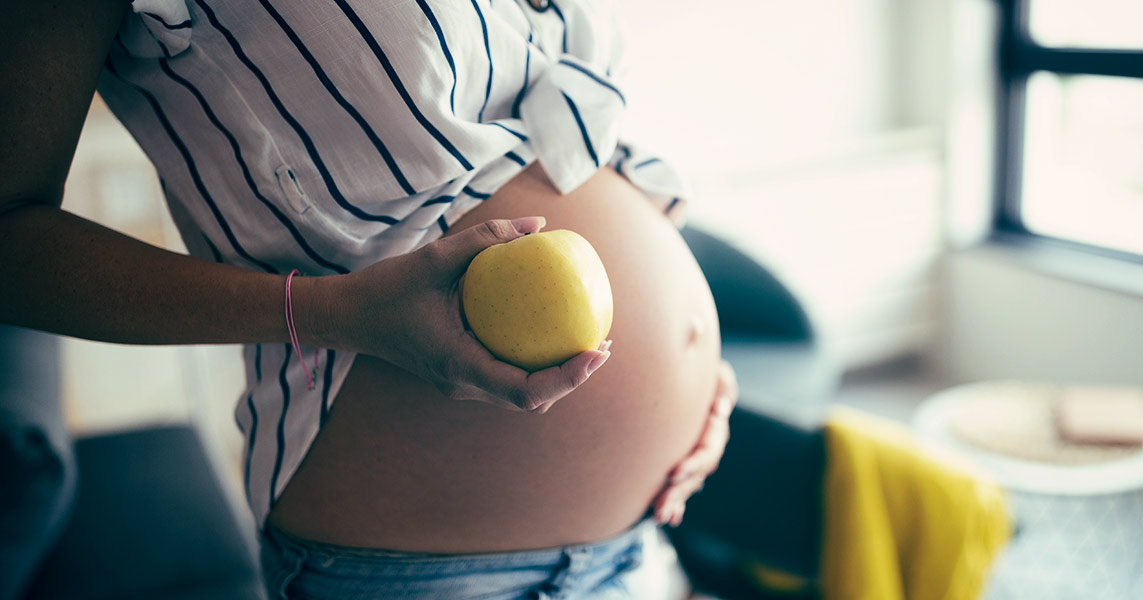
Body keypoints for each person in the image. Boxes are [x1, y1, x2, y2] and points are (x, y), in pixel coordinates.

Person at [0, 0, 737, 598]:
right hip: (434, 567)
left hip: (639, 535)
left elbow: (564, 137)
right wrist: (333, 312)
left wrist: (690, 362)